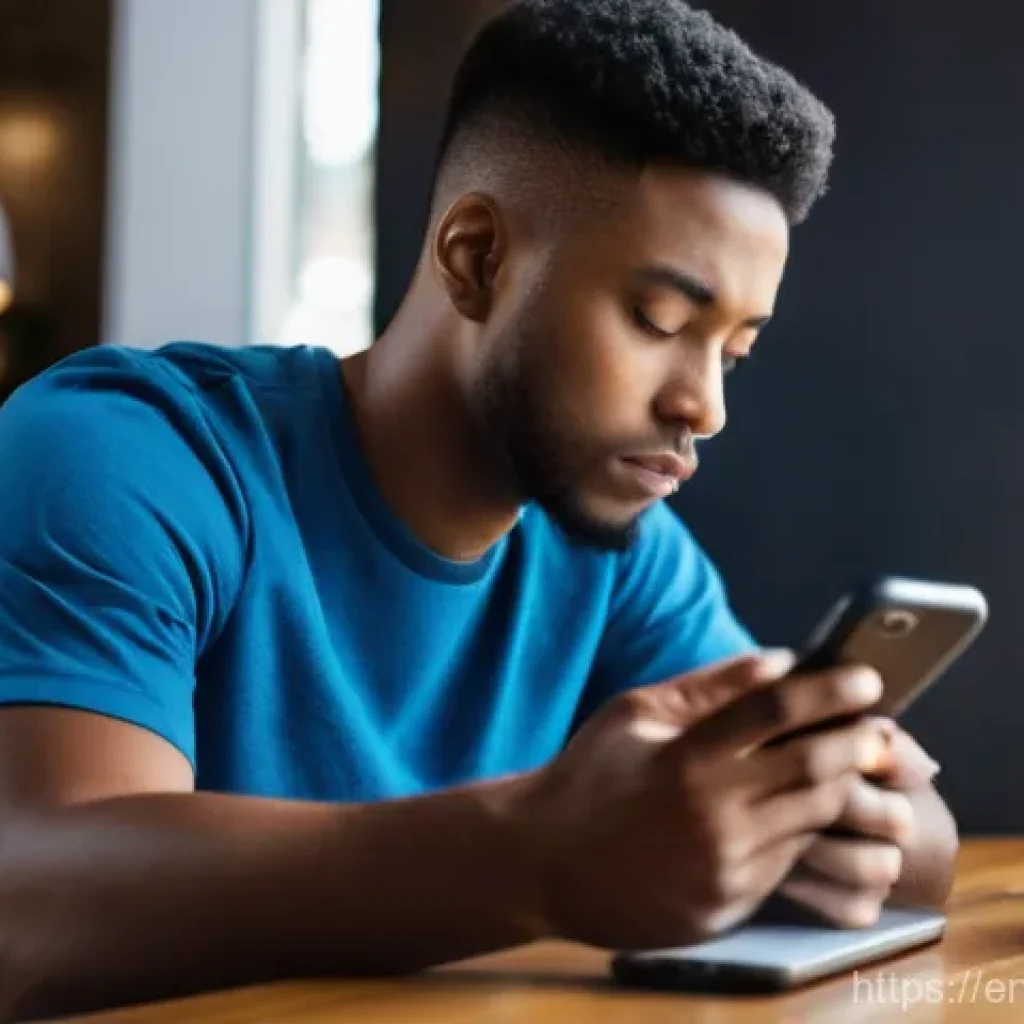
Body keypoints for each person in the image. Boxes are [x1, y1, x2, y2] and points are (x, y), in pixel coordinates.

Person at [0, 0, 956, 1017]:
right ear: (475, 258)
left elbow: (923, 847)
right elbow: (30, 908)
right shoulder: (128, 455)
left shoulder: (622, 559)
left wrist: (833, 814)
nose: (703, 406)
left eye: (731, 352)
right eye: (659, 320)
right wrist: (535, 859)